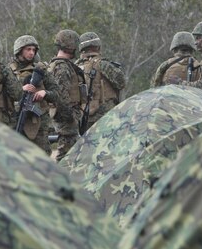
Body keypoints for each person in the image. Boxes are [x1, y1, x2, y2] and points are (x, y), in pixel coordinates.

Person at [10, 35, 60, 154]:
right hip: (16, 119)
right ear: (19, 50)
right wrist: (20, 89)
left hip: (39, 122)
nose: (31, 53)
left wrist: (45, 93)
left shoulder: (41, 69)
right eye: (28, 49)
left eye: (33, 50)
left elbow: (56, 93)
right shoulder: (9, 70)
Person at [76, 32, 126, 133]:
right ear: (98, 47)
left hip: (81, 119)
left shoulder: (74, 67)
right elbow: (121, 82)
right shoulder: (103, 65)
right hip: (105, 118)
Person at [48, 29, 86, 161]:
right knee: (66, 155)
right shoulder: (62, 67)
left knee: (70, 154)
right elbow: (61, 96)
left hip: (66, 117)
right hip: (66, 119)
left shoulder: (61, 65)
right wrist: (71, 117)